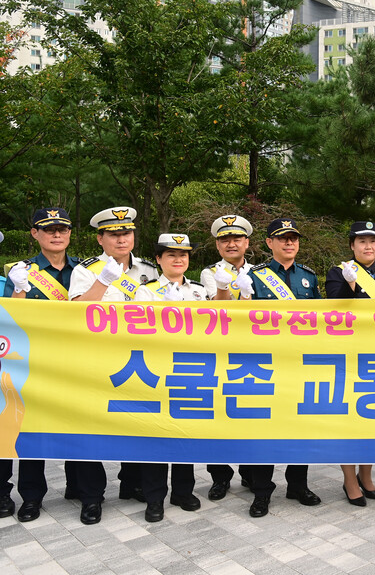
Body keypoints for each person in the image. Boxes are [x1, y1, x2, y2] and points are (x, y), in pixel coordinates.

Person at [68, 205, 158, 525]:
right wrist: (103, 281)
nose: (122, 239)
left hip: (138, 360)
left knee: (137, 424)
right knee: (90, 428)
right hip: (96, 360)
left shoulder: (149, 269)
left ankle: (132, 483)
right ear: (100, 239)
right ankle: (92, 497)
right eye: (114, 234)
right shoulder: (85, 270)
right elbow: (77, 312)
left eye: (127, 233)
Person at [1, 208, 80, 523]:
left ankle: (79, 488)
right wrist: (19, 289)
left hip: (76, 362)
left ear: (70, 234)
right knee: (31, 430)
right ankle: (31, 497)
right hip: (33, 364)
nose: (56, 234)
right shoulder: (20, 272)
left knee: (79, 425)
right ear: (35, 233)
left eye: (62, 229)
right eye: (48, 229)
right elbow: (8, 319)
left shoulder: (83, 271)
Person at [243, 218, 322, 517]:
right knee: (265, 429)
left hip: (300, 364)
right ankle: (262, 491)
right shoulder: (255, 276)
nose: (289, 243)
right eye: (282, 238)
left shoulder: (308, 277)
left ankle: (297, 485)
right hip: (266, 365)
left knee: (300, 427)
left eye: (293, 238)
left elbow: (319, 320)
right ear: (269, 243)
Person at [132, 234, 206, 522]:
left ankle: (183, 491)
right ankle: (154, 497)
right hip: (157, 371)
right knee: (156, 436)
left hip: (191, 369)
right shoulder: (146, 291)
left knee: (185, 432)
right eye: (171, 254)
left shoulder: (200, 292)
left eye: (184, 255)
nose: (178, 259)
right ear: (159, 259)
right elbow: (139, 331)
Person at [325, 221, 375, 506]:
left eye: (373, 241)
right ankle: (348, 478)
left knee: (373, 417)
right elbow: (335, 310)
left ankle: (366, 475)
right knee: (348, 419)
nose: (369, 246)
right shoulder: (338, 272)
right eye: (362, 242)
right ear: (352, 246)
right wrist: (351, 284)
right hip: (348, 356)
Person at [198, 214, 255, 500]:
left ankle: (249, 472)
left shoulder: (261, 271)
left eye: (236, 238)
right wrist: (224, 289)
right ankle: (220, 477)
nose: (231, 244)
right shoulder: (210, 273)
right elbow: (217, 312)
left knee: (249, 412)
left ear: (246, 241)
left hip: (252, 353)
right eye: (224, 239)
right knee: (217, 415)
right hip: (220, 353)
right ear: (218, 245)